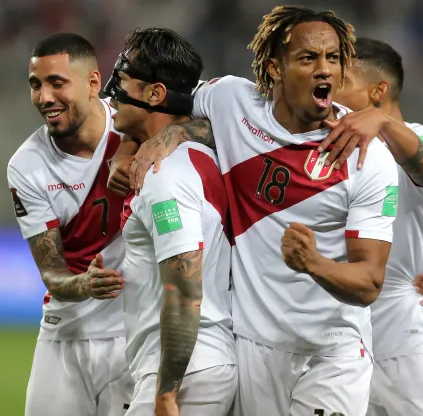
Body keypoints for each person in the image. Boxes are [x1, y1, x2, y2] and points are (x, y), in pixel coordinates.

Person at [115, 6, 399, 416]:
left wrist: (315, 264)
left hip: (331, 353)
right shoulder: (231, 100)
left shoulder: (366, 159)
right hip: (251, 349)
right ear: (274, 68)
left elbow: (370, 282)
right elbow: (154, 106)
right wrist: (151, 143)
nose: (325, 70)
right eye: (308, 58)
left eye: (333, 58)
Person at [330, 36, 423, 416]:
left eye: (341, 80)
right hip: (355, 352)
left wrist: (381, 123)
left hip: (418, 352)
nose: (329, 88)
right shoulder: (342, 150)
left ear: (378, 91)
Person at [103, 28, 237, 416]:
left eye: (122, 78)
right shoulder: (198, 154)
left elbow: (184, 290)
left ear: (155, 94)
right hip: (197, 362)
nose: (111, 90)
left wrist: (166, 393)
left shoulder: (165, 175)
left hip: (187, 370)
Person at [6, 32, 135, 416]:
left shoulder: (137, 123)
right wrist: (83, 283)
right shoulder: (26, 165)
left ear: (94, 83)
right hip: (66, 334)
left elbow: (208, 116)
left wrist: (157, 142)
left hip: (135, 335)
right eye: (36, 85)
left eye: (56, 83)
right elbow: (52, 273)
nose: (44, 97)